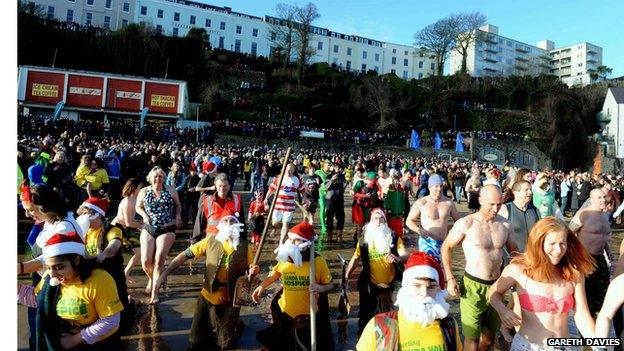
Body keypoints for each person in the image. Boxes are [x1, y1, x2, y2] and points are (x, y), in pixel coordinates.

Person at [153, 213, 258, 350]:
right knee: (195, 341)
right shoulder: (209, 241)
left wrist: (254, 272)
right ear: (219, 226)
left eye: (232, 221)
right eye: (225, 220)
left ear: (237, 226)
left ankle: (235, 325)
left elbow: (253, 272)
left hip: (230, 301)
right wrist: (164, 274)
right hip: (207, 297)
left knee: (225, 345)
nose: (228, 222)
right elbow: (184, 255)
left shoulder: (245, 247)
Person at [488, 217, 596, 350]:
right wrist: (502, 310)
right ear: (538, 243)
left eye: (563, 243)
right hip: (528, 346)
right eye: (552, 243)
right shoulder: (518, 270)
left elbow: (582, 315)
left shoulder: (574, 273)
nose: (558, 250)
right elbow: (493, 292)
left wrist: (598, 345)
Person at [441, 184, 518, 351]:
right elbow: (446, 247)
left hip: (497, 288)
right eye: (491, 204)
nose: (496, 208)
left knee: (489, 339)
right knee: (472, 340)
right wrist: (450, 277)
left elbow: (515, 255)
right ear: (480, 199)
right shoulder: (466, 223)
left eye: (499, 204)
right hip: (472, 286)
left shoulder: (505, 225)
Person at [18, 231, 124, 350]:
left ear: (77, 260)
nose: (52, 274)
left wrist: (75, 340)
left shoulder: (99, 280)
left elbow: (111, 321)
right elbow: (37, 299)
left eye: (59, 267)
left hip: (96, 344)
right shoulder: (49, 276)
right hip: (61, 341)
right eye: (48, 267)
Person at [252, 220, 335, 351]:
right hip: (286, 311)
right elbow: (275, 273)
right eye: (289, 239)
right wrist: (262, 286)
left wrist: (321, 288)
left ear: (305, 244)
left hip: (308, 316)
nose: (290, 243)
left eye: (295, 240)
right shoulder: (286, 257)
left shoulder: (318, 262)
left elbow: (330, 285)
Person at [356, 252, 462, 351]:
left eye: (431, 287)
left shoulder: (449, 326)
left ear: (439, 290)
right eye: (417, 285)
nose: (424, 293)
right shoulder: (378, 326)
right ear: (405, 287)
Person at [346, 208, 408, 335]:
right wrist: (347, 274)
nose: (378, 221)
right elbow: (355, 258)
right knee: (365, 316)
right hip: (368, 284)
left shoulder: (394, 238)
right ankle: (364, 339)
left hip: (387, 285)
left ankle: (386, 340)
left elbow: (405, 254)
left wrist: (397, 258)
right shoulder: (364, 240)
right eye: (375, 218)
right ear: (370, 221)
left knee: (386, 315)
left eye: (381, 218)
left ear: (385, 221)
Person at [135, 166, 182, 304]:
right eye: (155, 176)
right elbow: (138, 206)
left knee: (158, 260)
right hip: (149, 227)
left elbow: (178, 205)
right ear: (150, 178)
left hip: (167, 228)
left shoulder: (171, 190)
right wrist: (144, 216)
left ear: (164, 178)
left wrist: (178, 216)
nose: (158, 179)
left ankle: (155, 292)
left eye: (160, 176)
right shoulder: (144, 191)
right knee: (145, 261)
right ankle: (157, 278)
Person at [76, 196, 129, 313]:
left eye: (86, 214)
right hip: (91, 276)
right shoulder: (83, 231)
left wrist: (103, 254)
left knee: (122, 310)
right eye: (81, 214)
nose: (82, 217)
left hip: (112, 275)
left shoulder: (113, 229)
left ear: (98, 215)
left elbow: (114, 245)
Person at [569, 188, 612, 318]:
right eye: (599, 198)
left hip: (600, 259)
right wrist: (573, 256)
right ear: (591, 199)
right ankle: (585, 333)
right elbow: (568, 234)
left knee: (602, 296)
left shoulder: (605, 216)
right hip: (585, 258)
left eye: (604, 197)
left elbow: (602, 237)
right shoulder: (583, 214)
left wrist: (608, 252)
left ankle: (596, 328)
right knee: (586, 298)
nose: (603, 200)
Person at [406, 174, 460, 263]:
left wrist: (454, 234)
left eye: (441, 186)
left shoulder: (449, 203)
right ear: (430, 187)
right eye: (436, 186)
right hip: (427, 242)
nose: (439, 189)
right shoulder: (421, 202)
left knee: (442, 271)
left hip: (443, 243)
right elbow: (409, 221)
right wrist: (419, 230)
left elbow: (458, 222)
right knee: (429, 269)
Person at [192, 172, 244, 241]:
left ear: (229, 186)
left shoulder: (237, 200)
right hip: (212, 243)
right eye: (219, 186)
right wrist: (194, 244)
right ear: (215, 186)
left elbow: (242, 223)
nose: (222, 188)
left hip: (230, 244)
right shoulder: (207, 202)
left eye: (224, 186)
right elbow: (198, 226)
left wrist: (243, 243)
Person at [111, 178, 144, 283]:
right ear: (134, 188)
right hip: (118, 228)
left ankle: (126, 273)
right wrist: (142, 226)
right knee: (115, 255)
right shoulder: (128, 201)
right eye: (140, 187)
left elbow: (130, 221)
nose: (142, 189)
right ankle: (117, 275)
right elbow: (128, 222)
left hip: (127, 228)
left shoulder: (135, 199)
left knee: (139, 253)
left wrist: (140, 225)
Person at [265, 163, 306, 245]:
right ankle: (275, 228)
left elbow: (302, 191)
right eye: (287, 169)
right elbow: (271, 189)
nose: (288, 171)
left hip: (289, 206)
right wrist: (266, 198)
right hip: (278, 205)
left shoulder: (297, 179)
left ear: (294, 170)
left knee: (286, 223)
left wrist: (304, 199)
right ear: (284, 169)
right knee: (275, 222)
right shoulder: (279, 178)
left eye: (291, 170)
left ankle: (281, 242)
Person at [498, 180, 540, 252]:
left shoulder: (535, 210)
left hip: (532, 256)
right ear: (515, 193)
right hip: (511, 258)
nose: (530, 192)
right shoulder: (506, 209)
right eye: (526, 190)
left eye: (530, 190)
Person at [352, 172, 382, 246]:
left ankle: (365, 242)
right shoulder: (360, 183)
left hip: (370, 208)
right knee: (360, 226)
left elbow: (377, 198)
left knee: (369, 226)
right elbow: (354, 193)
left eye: (375, 181)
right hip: (359, 207)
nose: (373, 182)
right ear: (367, 179)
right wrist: (364, 195)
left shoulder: (376, 186)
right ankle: (358, 243)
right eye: (372, 181)